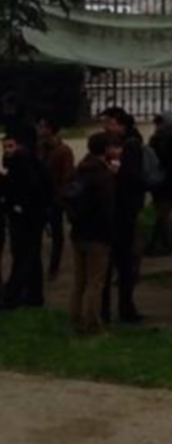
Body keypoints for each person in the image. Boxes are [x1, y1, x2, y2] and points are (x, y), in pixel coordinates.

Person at [98, 107, 146, 323]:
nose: (105, 127)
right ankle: (107, 308)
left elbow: (133, 178)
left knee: (124, 262)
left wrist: (118, 172)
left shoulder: (132, 145)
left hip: (124, 211)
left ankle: (124, 307)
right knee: (112, 263)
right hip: (115, 212)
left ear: (119, 124)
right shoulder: (107, 143)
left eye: (108, 122)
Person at [65, 133, 116, 335]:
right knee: (95, 282)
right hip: (98, 235)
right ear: (105, 150)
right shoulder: (103, 176)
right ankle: (92, 323)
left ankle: (74, 318)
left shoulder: (81, 171)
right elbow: (107, 209)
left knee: (79, 281)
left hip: (79, 232)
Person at [0, 122, 52, 310]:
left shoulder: (23, 163)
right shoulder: (24, 162)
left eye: (10, 146)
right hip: (28, 216)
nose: (6, 150)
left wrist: (15, 206)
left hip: (26, 217)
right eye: (5, 147)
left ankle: (13, 296)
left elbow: (29, 190)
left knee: (23, 255)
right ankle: (32, 294)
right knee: (29, 255)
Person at [36, 118, 75, 281]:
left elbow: (67, 176)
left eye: (42, 126)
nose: (39, 129)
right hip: (40, 197)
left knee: (57, 234)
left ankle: (53, 268)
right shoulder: (39, 147)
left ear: (50, 129)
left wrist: (59, 198)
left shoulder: (62, 150)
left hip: (54, 198)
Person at [146, 113, 172, 257]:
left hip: (163, 182)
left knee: (163, 214)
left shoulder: (157, 140)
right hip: (170, 182)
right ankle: (164, 243)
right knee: (164, 214)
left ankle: (160, 244)